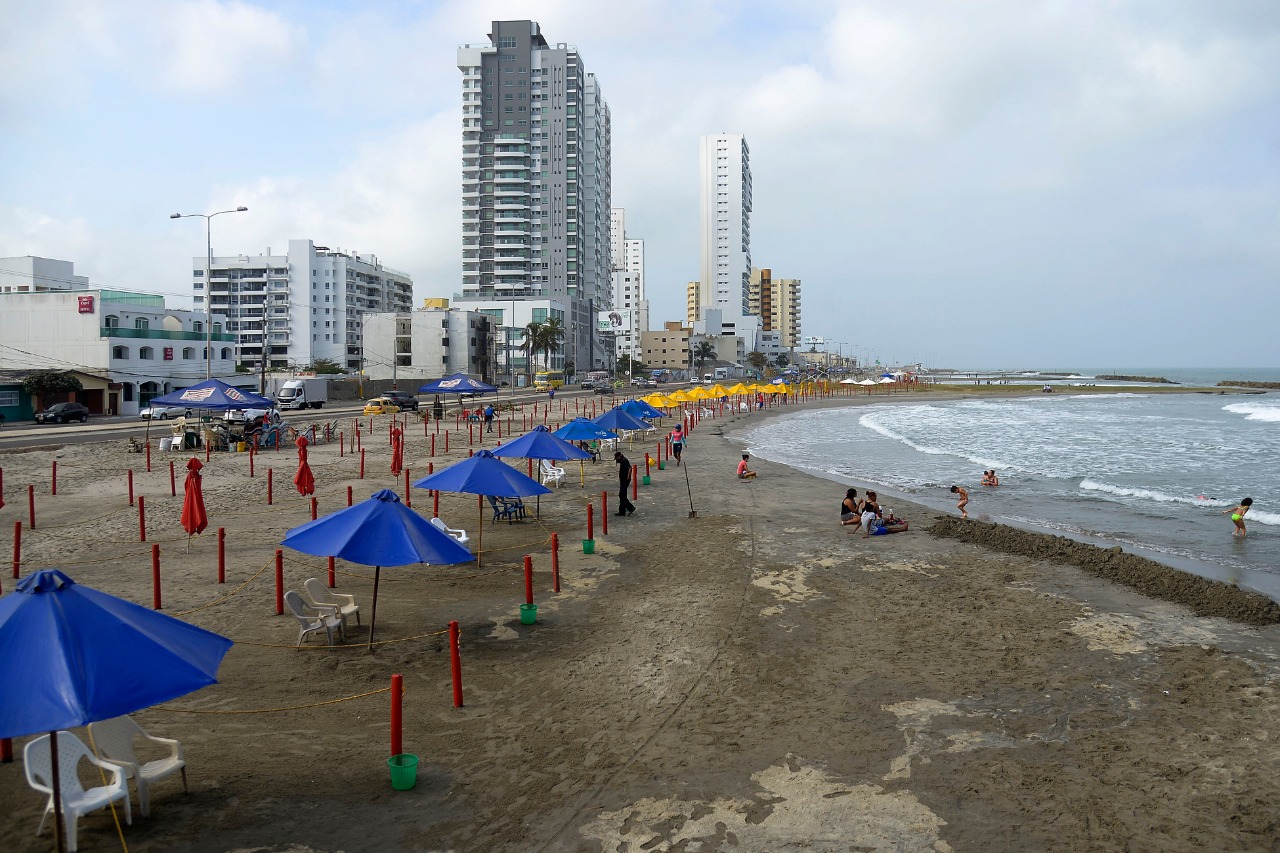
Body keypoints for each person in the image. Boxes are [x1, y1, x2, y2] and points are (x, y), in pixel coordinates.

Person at [614, 451, 636, 516]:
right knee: (622, 495)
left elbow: (630, 468)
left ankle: (630, 507)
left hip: (625, 480)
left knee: (622, 495)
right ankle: (622, 511)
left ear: (619, 456)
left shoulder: (624, 461)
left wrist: (628, 476)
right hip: (623, 480)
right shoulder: (622, 461)